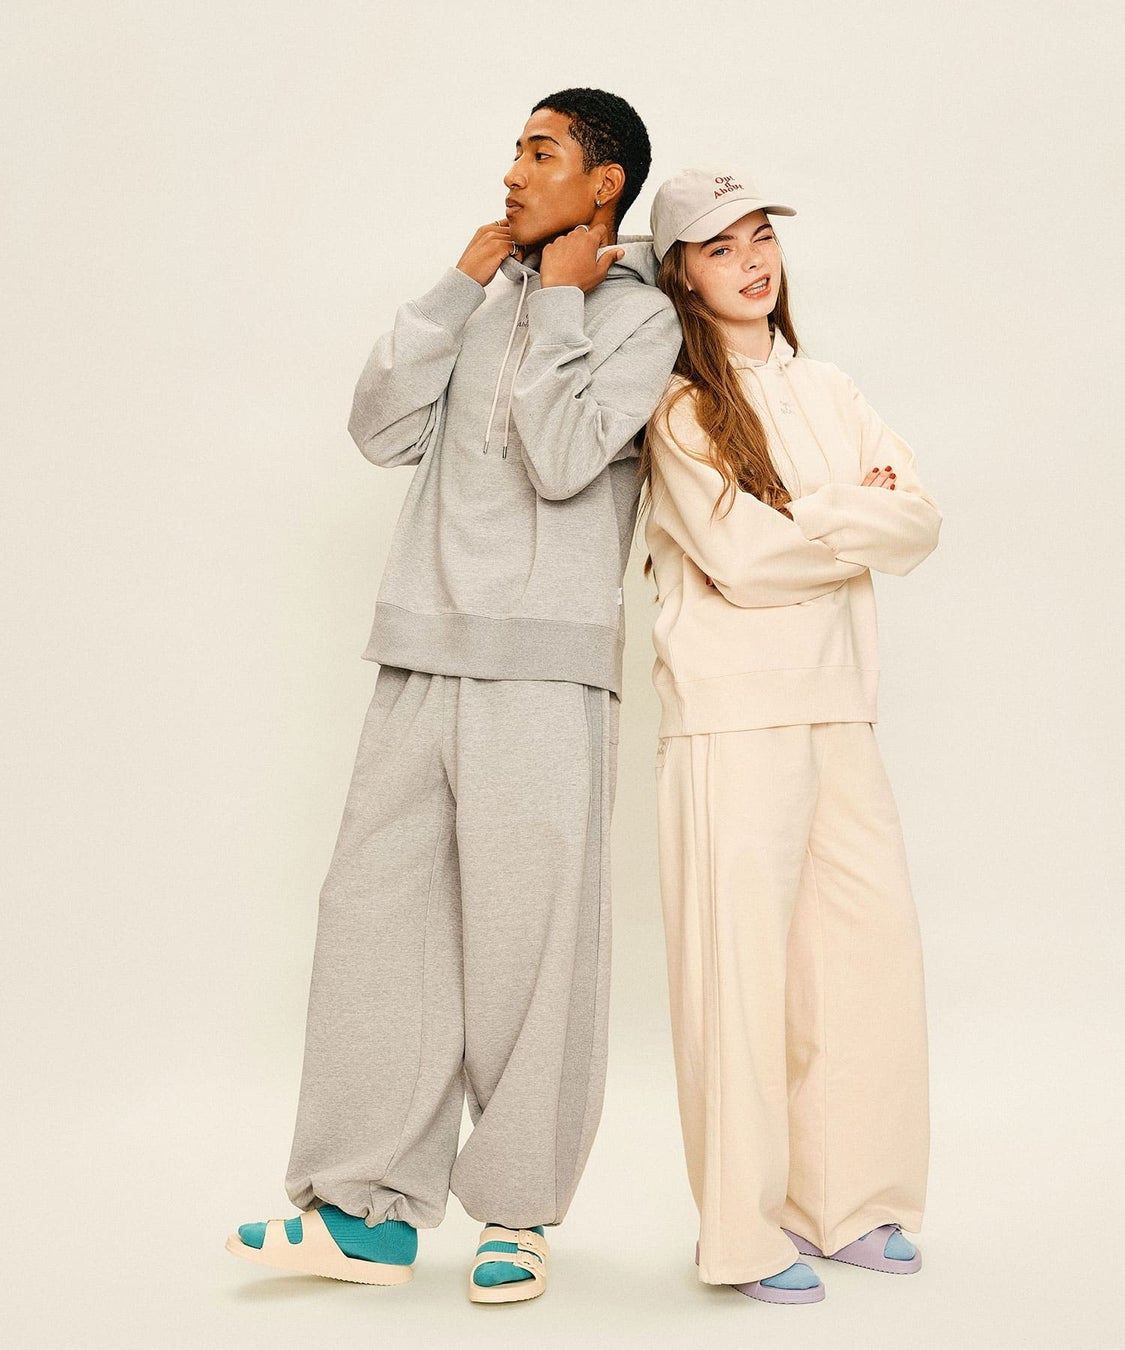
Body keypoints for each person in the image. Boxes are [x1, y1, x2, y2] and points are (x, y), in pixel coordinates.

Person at [225, 90, 680, 1304]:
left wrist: (564, 300)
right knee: (376, 924)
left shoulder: (644, 321)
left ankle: (519, 1213)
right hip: (421, 649)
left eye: (541, 152)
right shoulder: (479, 302)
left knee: (532, 950)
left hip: (543, 666)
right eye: (515, 150)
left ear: (604, 184)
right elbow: (380, 430)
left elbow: (565, 456)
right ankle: (366, 1212)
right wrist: (455, 288)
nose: (513, 173)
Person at [642, 168, 941, 1305]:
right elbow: (740, 557)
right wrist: (849, 514)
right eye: (720, 248)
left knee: (862, 960)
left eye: (760, 237)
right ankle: (743, 1233)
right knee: (739, 979)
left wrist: (805, 514)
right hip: (731, 714)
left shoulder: (830, 386)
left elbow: (918, 521)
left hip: (839, 705)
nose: (751, 262)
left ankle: (849, 1203)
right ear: (681, 274)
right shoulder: (678, 408)